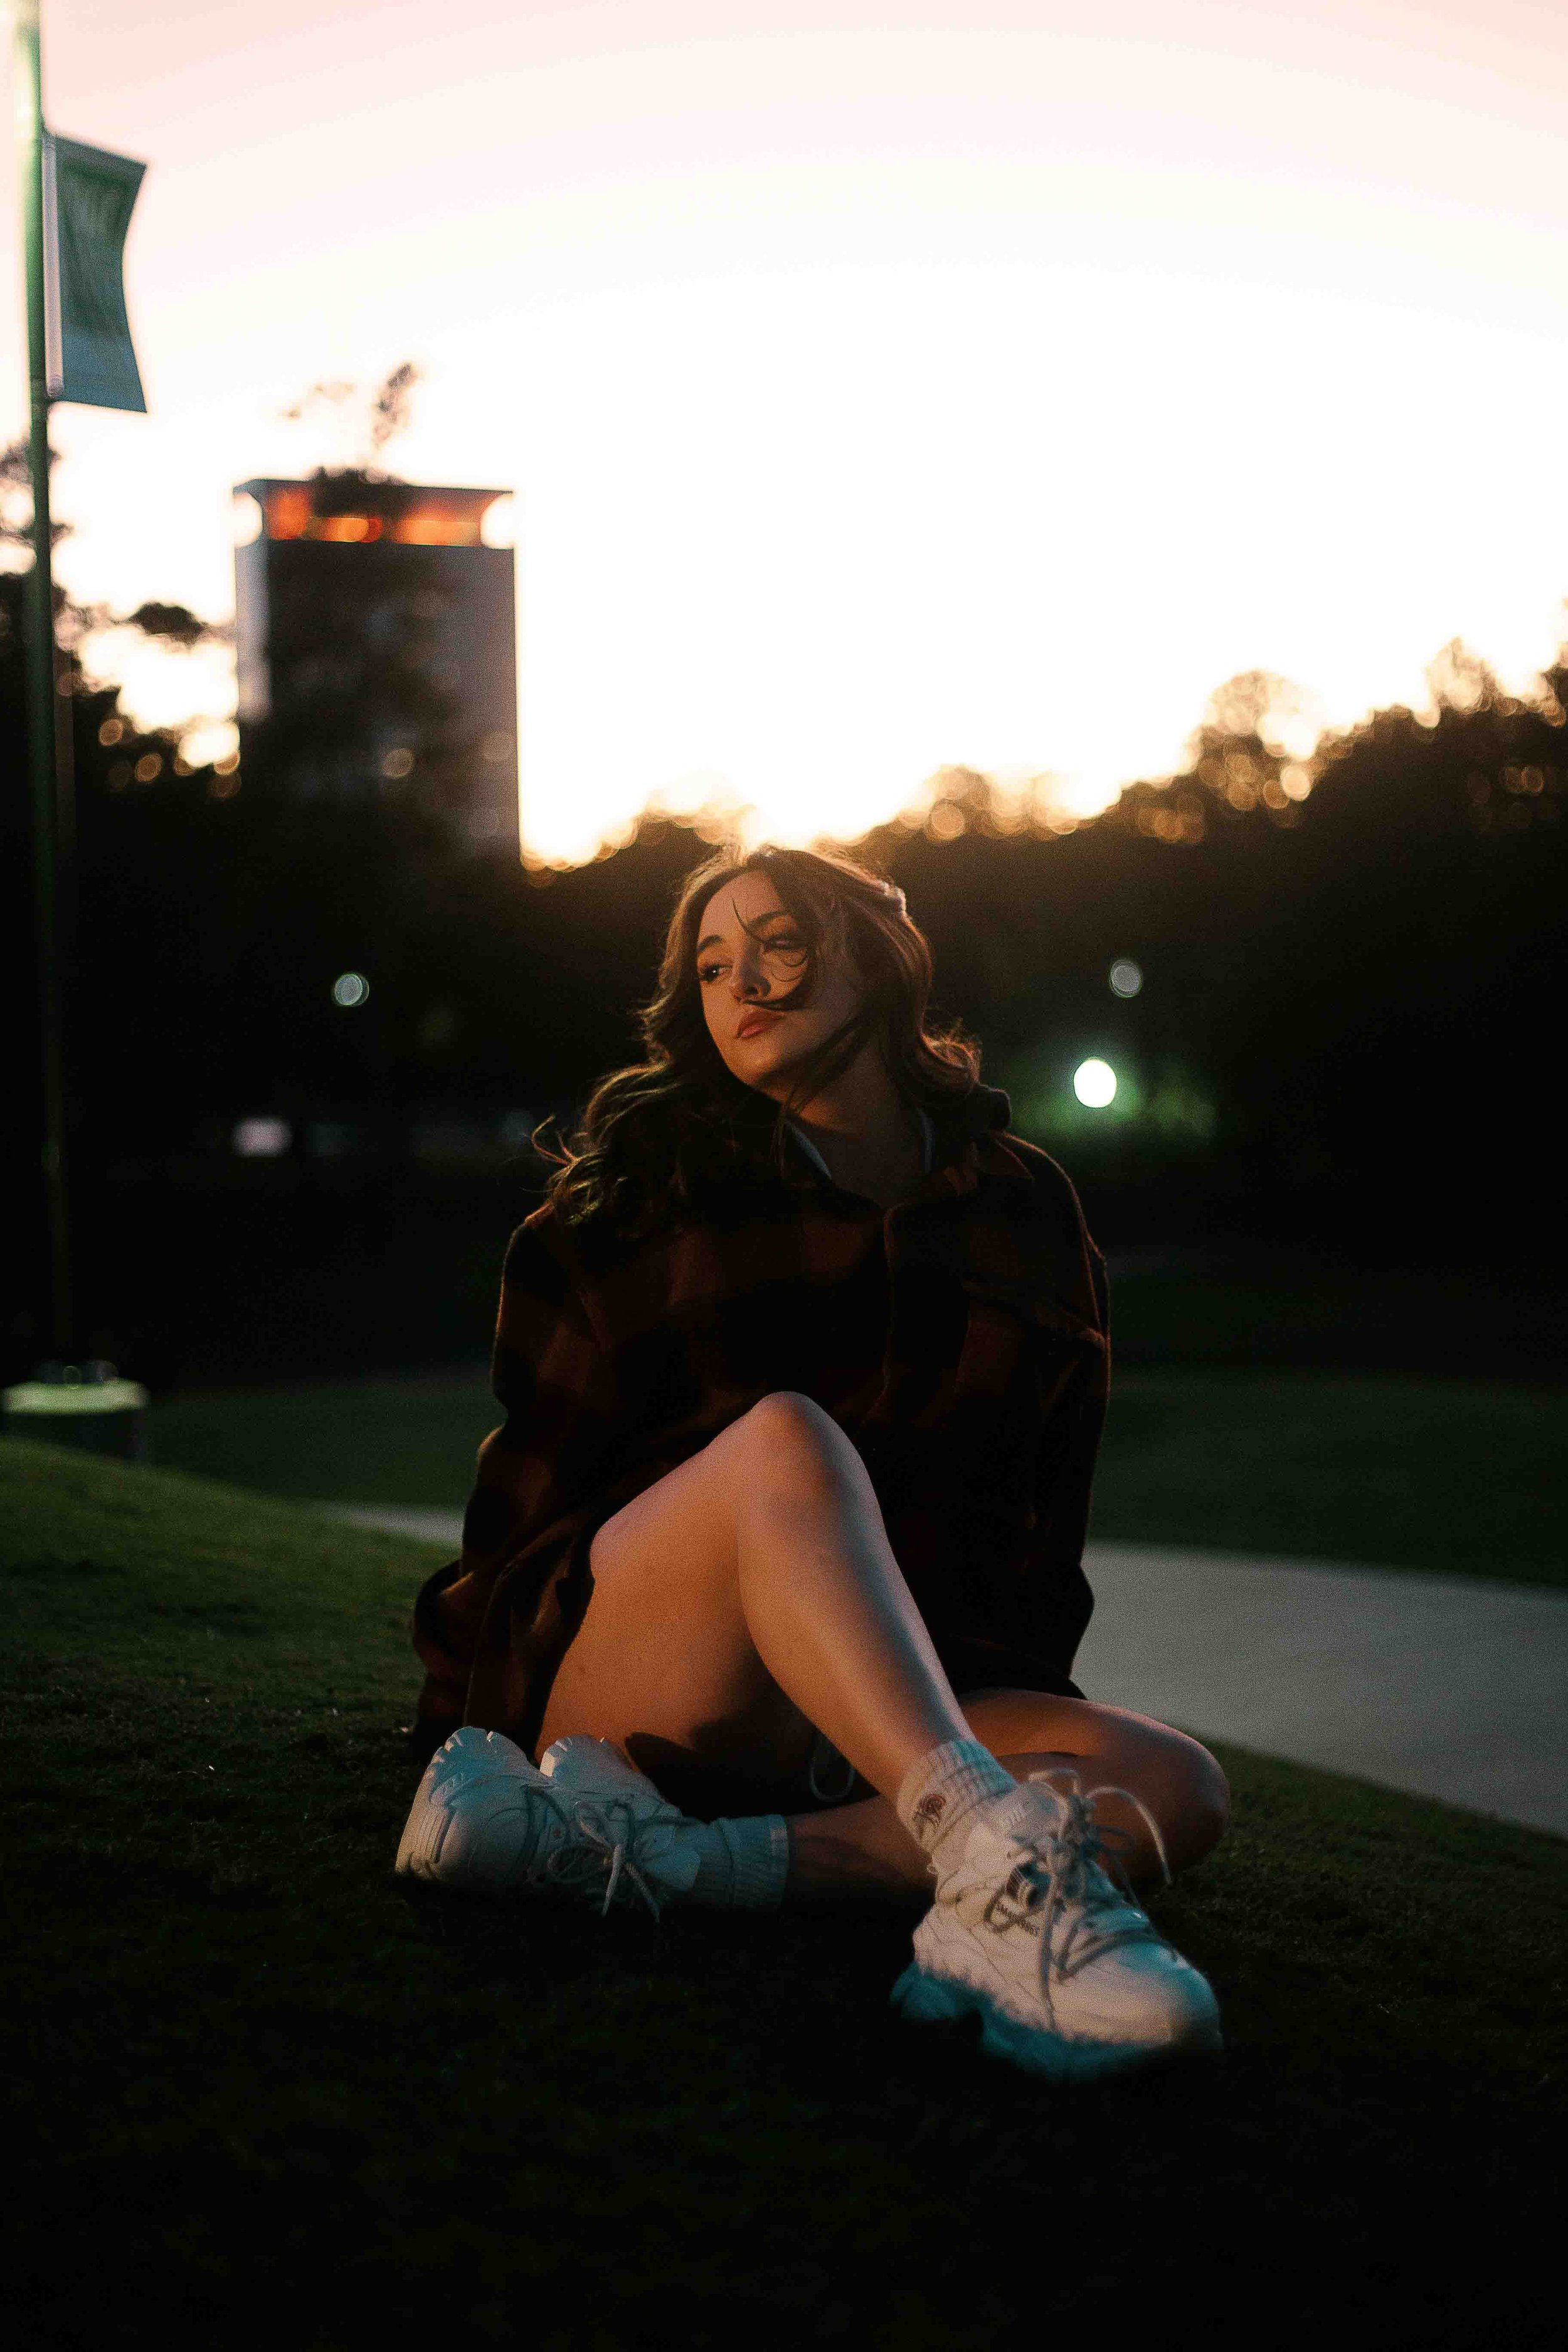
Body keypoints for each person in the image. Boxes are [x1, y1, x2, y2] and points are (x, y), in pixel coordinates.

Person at [396, 845, 1228, 2079]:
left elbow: (1041, 1530)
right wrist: (458, 1745)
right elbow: (520, 1518)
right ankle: (980, 1847)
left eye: (777, 943)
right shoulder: (633, 1200)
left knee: (1170, 1780)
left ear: (876, 959)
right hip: (638, 1696)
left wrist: (1013, 1720)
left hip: (882, 1701)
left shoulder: (1026, 1209)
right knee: (785, 1440)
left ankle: (701, 1865)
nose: (741, 983)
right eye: (710, 965)